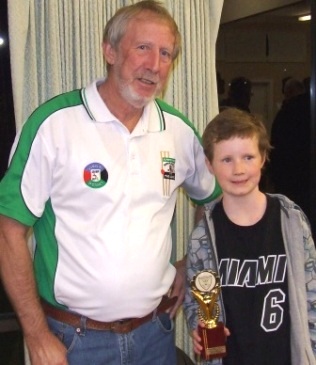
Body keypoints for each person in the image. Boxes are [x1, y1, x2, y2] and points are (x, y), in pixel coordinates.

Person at [0, 1, 221, 365]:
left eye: (166, 53)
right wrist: (36, 334)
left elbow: (214, 202)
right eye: (143, 48)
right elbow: (10, 231)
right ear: (110, 51)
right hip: (74, 341)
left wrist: (190, 263)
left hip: (155, 335)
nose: (154, 65)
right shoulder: (55, 125)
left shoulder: (179, 132)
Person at [183, 108, 316, 364]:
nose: (239, 169)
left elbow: (312, 297)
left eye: (248, 157)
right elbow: (196, 303)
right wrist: (198, 327)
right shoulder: (203, 236)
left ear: (263, 158)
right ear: (209, 165)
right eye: (226, 160)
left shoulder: (291, 221)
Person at [269, 77, 311, 219]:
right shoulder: (309, 110)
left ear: (288, 92)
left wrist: (275, 177)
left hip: (290, 176)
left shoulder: (286, 113)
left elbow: (276, 146)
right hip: (308, 173)